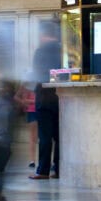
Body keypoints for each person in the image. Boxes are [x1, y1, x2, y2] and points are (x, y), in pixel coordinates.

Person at [30, 22, 62, 181]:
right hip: (61, 98)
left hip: (44, 98)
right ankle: (58, 169)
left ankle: (42, 171)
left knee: (45, 136)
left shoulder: (40, 51)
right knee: (59, 136)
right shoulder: (64, 50)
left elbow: (37, 75)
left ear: (43, 35)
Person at [14, 73, 38, 168]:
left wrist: (25, 102)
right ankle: (32, 160)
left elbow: (16, 97)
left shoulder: (27, 84)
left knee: (34, 137)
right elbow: (16, 97)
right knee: (34, 137)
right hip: (34, 111)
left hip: (34, 111)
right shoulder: (27, 85)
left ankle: (32, 160)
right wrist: (24, 102)